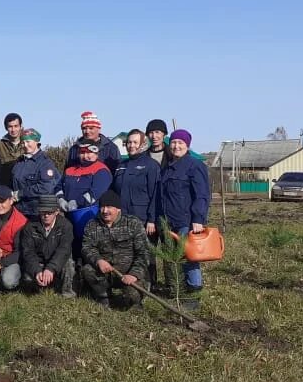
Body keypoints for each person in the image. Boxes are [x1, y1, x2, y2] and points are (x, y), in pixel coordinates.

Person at [156, 129, 210, 301]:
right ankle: (177, 291)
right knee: (173, 258)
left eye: (180, 143)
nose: (176, 146)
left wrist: (198, 219)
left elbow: (202, 195)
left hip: (186, 222)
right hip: (168, 222)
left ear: (187, 146)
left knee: (189, 258)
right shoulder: (167, 168)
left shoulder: (194, 166)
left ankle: (194, 293)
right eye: (173, 142)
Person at [80, 189, 149, 308]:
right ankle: (103, 296)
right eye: (102, 207)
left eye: (109, 207)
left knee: (132, 297)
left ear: (118, 209)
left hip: (128, 274)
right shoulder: (92, 225)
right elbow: (87, 247)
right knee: (87, 270)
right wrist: (98, 260)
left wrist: (134, 274)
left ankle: (135, 299)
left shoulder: (133, 224)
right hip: (106, 273)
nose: (105, 211)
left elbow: (144, 253)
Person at [113, 128, 161, 286]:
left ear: (142, 144)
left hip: (143, 219)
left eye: (135, 142)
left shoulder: (151, 165)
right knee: (127, 252)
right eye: (129, 142)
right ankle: (130, 285)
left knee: (146, 253)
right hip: (123, 218)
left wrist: (152, 220)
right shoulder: (121, 165)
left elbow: (155, 194)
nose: (131, 145)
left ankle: (150, 285)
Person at [20, 195, 75, 297]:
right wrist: (37, 270)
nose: (46, 216)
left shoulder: (66, 226)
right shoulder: (29, 227)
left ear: (57, 211)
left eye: (49, 212)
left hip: (57, 262)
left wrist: (51, 268)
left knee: (68, 263)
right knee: (27, 277)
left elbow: (64, 250)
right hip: (39, 262)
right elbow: (28, 252)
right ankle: (40, 288)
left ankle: (67, 293)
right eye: (43, 212)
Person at [11, 128, 61, 219]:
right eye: (22, 142)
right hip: (18, 211)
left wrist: (20, 194)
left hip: (36, 213)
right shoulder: (19, 162)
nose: (25, 145)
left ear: (36, 142)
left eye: (28, 141)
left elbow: (45, 187)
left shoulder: (45, 163)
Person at [0, 112, 24, 186]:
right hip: (5, 187)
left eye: (16, 126)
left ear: (21, 126)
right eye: (10, 126)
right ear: (6, 127)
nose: (13, 130)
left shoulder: (28, 144)